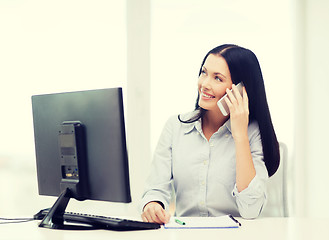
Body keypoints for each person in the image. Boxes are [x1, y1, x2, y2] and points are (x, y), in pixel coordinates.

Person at [140, 44, 280, 224]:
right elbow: (155, 189)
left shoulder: (252, 134)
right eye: (204, 72)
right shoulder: (175, 127)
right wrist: (152, 204)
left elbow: (251, 210)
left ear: (241, 89)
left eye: (217, 78)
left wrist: (240, 136)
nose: (204, 84)